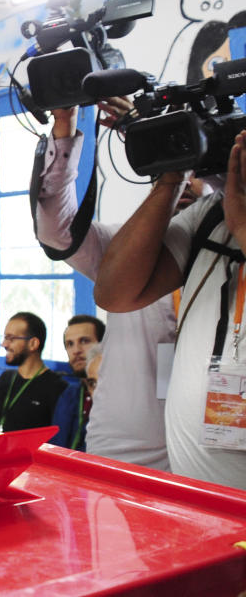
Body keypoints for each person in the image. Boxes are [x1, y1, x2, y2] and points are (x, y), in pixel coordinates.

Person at [32, 100, 205, 470]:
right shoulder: (123, 247)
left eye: (196, 165)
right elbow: (56, 232)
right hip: (125, 447)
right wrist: (64, 126)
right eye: (173, 166)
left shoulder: (229, 244)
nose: (186, 178)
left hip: (207, 449)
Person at [94, 126, 246, 490]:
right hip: (198, 499)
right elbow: (115, 292)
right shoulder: (211, 213)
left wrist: (242, 226)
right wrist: (170, 178)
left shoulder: (232, 214)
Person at [0, 312, 68, 436]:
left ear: (33, 344)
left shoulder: (57, 387)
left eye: (11, 338)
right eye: (4, 338)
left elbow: (60, 439)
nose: (4, 344)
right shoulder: (6, 377)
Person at [51, 316, 105, 451]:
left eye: (85, 341)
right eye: (70, 344)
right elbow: (57, 445)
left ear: (104, 344)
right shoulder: (69, 394)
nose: (76, 350)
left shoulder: (115, 395)